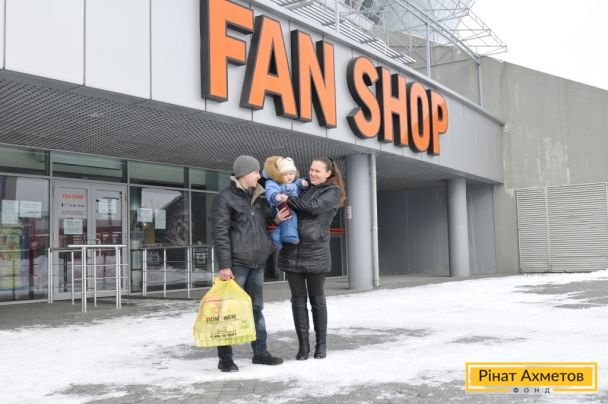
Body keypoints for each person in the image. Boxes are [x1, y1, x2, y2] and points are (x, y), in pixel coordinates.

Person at [211, 155, 290, 372]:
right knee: (229, 310)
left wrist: (276, 221)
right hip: (236, 265)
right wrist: (224, 265)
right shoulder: (225, 198)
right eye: (256, 172)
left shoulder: (259, 196)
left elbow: (260, 225)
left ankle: (260, 353)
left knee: (256, 308)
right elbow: (220, 234)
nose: (258, 176)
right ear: (244, 173)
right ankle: (225, 358)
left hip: (257, 263)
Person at [278, 157, 346, 360]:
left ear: (328, 173)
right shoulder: (302, 188)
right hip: (293, 252)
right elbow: (284, 208)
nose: (313, 173)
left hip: (316, 253)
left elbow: (313, 207)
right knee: (298, 301)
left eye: (318, 170)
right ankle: (303, 346)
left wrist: (288, 198)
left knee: (317, 300)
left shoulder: (332, 191)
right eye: (311, 169)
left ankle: (321, 345)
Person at [262, 156, 308, 249]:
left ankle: (276, 237)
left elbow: (298, 184)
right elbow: (271, 190)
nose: (289, 176)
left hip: (292, 205)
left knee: (286, 222)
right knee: (290, 217)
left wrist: (303, 183)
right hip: (280, 206)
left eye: (291, 173)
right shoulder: (274, 183)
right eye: (285, 174)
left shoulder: (294, 182)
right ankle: (290, 235)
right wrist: (276, 196)